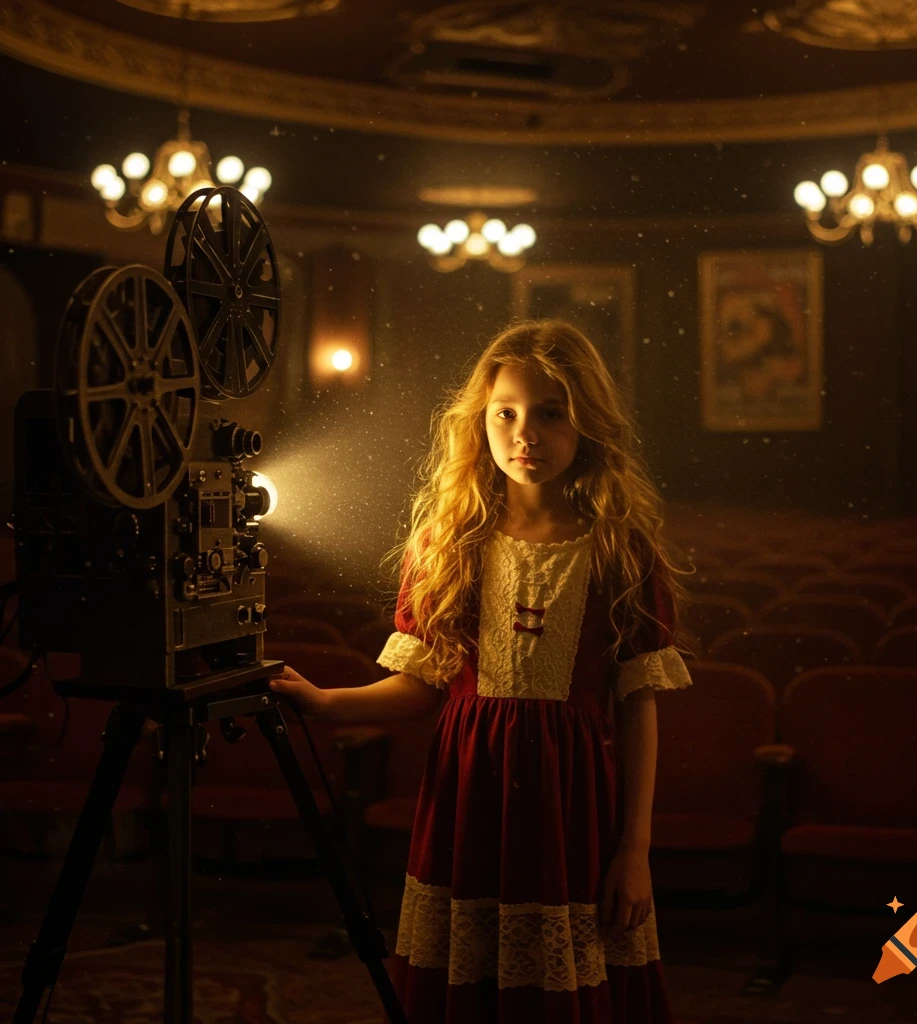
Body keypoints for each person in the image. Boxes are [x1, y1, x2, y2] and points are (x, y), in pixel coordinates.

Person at [270, 319, 694, 1023]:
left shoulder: (620, 549)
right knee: (467, 984)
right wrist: (325, 702)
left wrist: (635, 848)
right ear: (481, 422)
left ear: (586, 422)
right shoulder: (450, 542)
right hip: (471, 793)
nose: (525, 434)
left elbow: (637, 704)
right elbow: (423, 683)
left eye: (550, 413)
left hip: (572, 802)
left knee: (566, 980)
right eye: (507, 413)